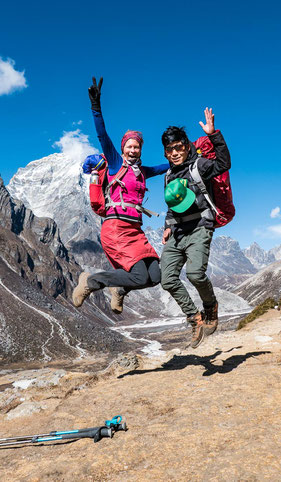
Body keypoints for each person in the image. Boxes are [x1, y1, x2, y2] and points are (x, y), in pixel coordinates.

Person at [72, 77, 169, 313]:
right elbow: (102, 135)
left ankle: (120, 289)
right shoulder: (115, 163)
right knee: (138, 275)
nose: (133, 150)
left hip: (135, 230)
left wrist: (192, 149)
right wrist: (96, 107)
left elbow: (168, 165)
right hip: (115, 229)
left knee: (155, 276)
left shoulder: (143, 172)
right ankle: (91, 281)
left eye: (137, 147)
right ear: (123, 147)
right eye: (130, 146)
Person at [160, 108, 231, 348]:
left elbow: (224, 163)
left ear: (187, 147)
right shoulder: (168, 175)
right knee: (167, 279)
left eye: (179, 147)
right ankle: (195, 318)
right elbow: (171, 204)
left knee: (194, 275)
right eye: (170, 150)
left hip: (200, 226)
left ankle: (210, 306)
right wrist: (167, 226)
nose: (175, 153)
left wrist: (214, 135)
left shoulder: (199, 166)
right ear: (165, 152)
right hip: (178, 232)